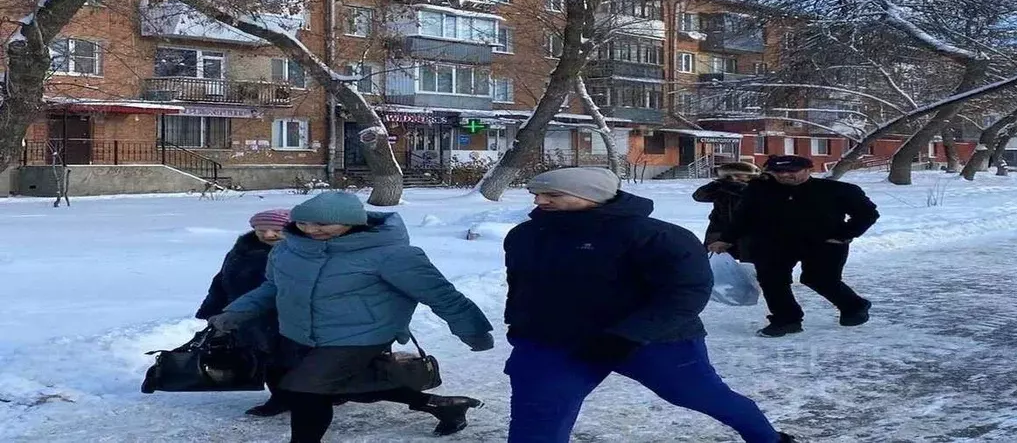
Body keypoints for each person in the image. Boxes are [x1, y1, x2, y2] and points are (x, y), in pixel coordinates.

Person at [503, 167, 798, 443]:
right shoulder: (526, 235)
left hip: (653, 341)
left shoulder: (658, 236)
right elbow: (523, 285)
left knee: (702, 396)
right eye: (537, 195)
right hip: (553, 341)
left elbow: (687, 292)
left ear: (591, 195)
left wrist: (627, 336)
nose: (540, 201)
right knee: (538, 415)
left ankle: (768, 438)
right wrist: (521, 324)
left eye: (553, 195)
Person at [208, 191, 494, 442]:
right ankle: (444, 405)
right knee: (353, 387)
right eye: (303, 222)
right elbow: (272, 287)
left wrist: (472, 329)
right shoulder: (289, 249)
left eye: (322, 224)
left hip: (360, 335)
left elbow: (440, 294)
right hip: (301, 332)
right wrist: (237, 312)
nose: (310, 230)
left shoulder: (392, 254)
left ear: (353, 222)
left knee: (307, 390)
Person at [709, 155, 879, 338]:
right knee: (772, 279)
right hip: (775, 243)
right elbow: (744, 218)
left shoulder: (838, 190)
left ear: (808, 170)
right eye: (778, 171)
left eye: (792, 171)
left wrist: (844, 235)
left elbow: (867, 214)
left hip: (824, 244)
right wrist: (726, 239)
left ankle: (854, 306)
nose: (784, 175)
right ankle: (787, 320)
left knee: (819, 279)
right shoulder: (759, 190)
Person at [196, 208, 290, 417]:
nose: (268, 235)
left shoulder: (298, 252)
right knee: (263, 359)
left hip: (285, 316)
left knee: (291, 359)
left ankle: (315, 395)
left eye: (276, 230)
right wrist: (213, 309)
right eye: (261, 230)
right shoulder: (241, 251)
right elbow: (221, 280)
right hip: (246, 317)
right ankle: (280, 398)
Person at [692, 161, 761, 262]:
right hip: (719, 231)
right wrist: (717, 184)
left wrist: (732, 186)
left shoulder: (758, 188)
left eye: (739, 175)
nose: (735, 178)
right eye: (731, 175)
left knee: (749, 265)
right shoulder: (721, 187)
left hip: (748, 234)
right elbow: (699, 196)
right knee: (713, 262)